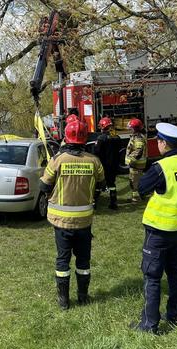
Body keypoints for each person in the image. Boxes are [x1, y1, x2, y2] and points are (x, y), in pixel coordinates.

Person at [132, 123, 177, 333]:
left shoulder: (161, 168)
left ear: (163, 143)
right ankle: (175, 316)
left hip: (159, 231)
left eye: (158, 141)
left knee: (152, 277)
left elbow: (141, 188)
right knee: (174, 273)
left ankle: (149, 324)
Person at [39, 119, 105, 310]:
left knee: (63, 259)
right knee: (83, 261)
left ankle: (64, 301)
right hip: (84, 221)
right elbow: (101, 184)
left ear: (66, 137)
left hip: (61, 222)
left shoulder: (58, 159)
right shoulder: (94, 161)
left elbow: (44, 186)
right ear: (85, 139)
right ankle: (83, 297)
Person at [94, 117, 121, 209]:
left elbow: (96, 152)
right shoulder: (117, 138)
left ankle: (94, 203)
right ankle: (113, 203)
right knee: (111, 183)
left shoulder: (101, 138)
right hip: (114, 165)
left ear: (102, 126)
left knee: (98, 183)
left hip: (103, 165)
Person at [125, 118, 147, 202]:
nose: (130, 129)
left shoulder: (138, 138)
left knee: (134, 181)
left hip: (136, 164)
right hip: (136, 164)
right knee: (135, 181)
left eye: (131, 128)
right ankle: (137, 197)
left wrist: (131, 161)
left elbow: (138, 151)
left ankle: (136, 198)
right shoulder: (137, 136)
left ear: (135, 128)